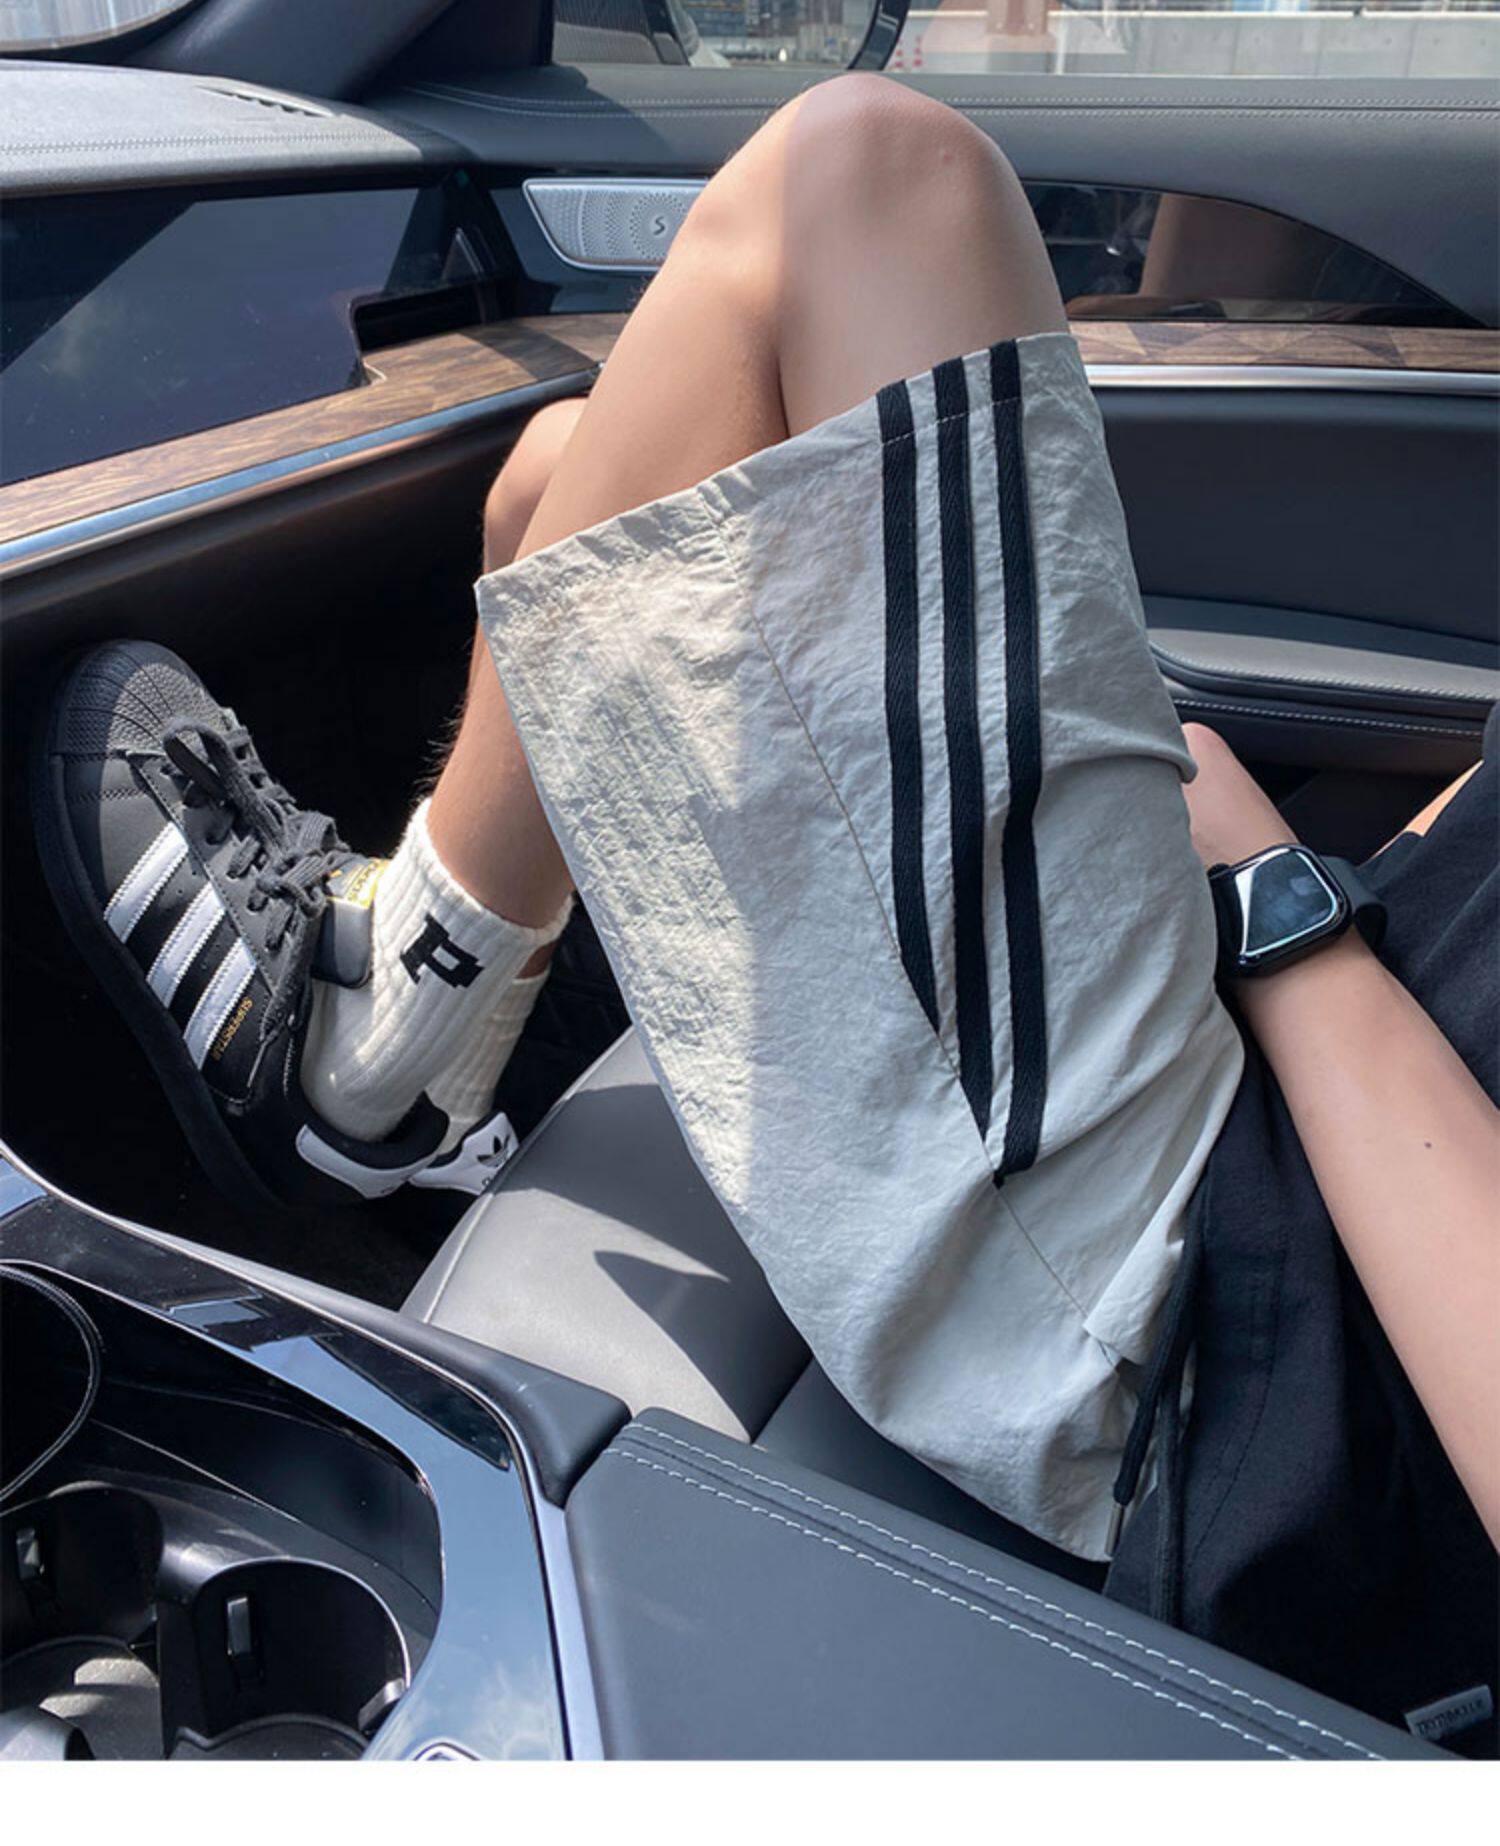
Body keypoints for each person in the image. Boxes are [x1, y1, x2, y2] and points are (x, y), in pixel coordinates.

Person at [33, 78, 1496, 1746]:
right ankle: (476, 1026)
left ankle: (384, 1052)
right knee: (576, 479)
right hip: (1315, 1125)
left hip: (1232, 1343)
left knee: (863, 182)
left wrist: (1290, 924)